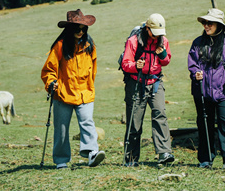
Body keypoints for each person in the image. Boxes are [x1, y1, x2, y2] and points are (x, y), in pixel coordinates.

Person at [41, 9, 106, 169]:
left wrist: (89, 87)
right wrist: (51, 83)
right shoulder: (60, 46)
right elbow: (49, 70)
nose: (81, 31)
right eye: (77, 28)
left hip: (85, 93)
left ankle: (92, 153)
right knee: (61, 128)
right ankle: (61, 160)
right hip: (63, 94)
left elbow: (93, 70)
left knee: (87, 122)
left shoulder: (90, 46)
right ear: (69, 29)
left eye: (83, 29)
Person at [188, 8, 225, 169]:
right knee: (205, 124)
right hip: (202, 91)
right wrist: (196, 73)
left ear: (219, 25)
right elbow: (193, 63)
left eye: (210, 23)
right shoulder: (197, 43)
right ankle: (205, 160)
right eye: (205, 23)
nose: (206, 25)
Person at [120, 13, 175, 166]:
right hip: (136, 82)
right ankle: (131, 159)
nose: (157, 36)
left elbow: (166, 61)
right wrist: (135, 65)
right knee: (135, 121)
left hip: (155, 82)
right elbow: (125, 63)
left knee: (160, 114)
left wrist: (162, 54)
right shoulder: (133, 41)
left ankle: (164, 153)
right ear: (147, 29)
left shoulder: (163, 40)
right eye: (154, 33)